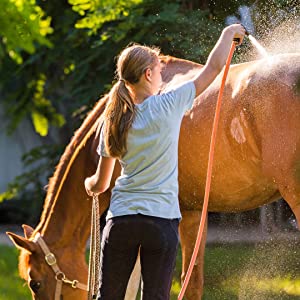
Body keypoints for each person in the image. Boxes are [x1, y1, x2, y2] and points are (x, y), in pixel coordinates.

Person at [84, 24, 245, 300]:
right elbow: (213, 69)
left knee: (107, 296)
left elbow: (101, 183)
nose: (162, 76)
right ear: (148, 74)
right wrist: (228, 33)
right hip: (161, 222)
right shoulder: (169, 105)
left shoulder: (113, 119)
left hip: (121, 222)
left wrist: (89, 184)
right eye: (159, 71)